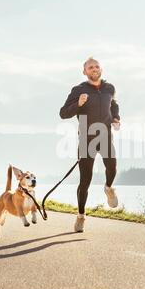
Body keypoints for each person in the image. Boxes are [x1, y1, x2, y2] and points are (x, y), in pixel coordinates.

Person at [60, 57, 121, 232]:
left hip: (105, 136)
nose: (94, 69)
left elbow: (114, 105)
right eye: (90, 67)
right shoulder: (78, 90)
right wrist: (78, 104)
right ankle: (81, 216)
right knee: (85, 180)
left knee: (112, 166)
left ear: (101, 69)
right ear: (84, 71)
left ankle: (109, 188)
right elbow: (63, 113)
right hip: (86, 139)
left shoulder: (109, 88)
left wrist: (116, 118)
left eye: (96, 66)